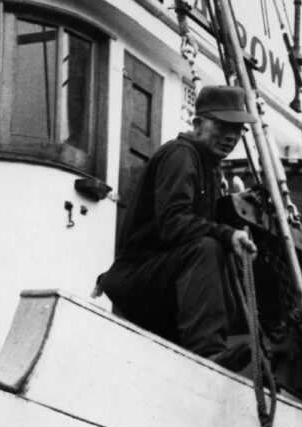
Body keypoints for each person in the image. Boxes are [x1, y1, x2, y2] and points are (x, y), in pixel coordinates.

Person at [94, 85, 257, 371]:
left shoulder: (210, 167)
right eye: (221, 124)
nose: (231, 136)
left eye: (239, 129)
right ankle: (209, 353)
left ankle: (236, 347)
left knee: (220, 248)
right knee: (209, 246)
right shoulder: (180, 155)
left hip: (162, 281)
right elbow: (173, 224)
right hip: (138, 281)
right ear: (198, 124)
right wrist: (226, 234)